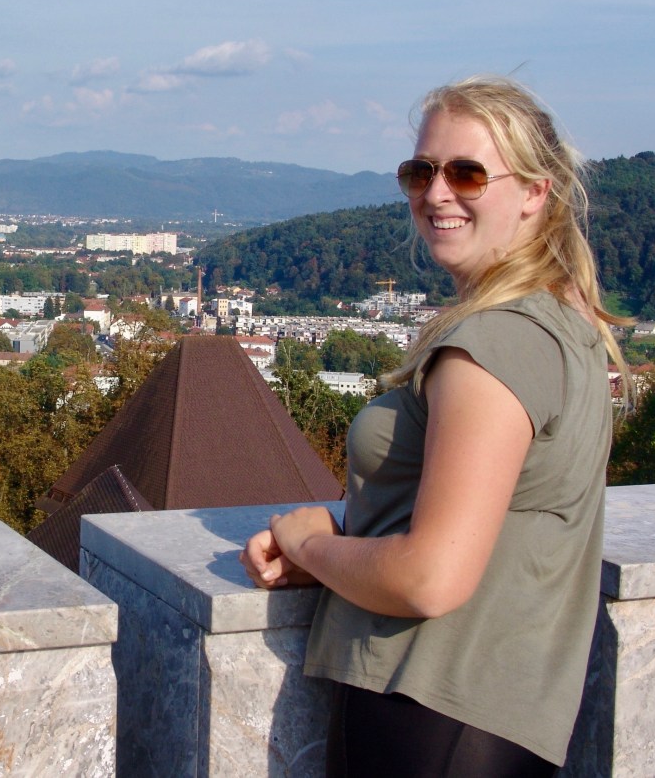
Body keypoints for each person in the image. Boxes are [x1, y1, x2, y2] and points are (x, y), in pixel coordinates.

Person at [241, 76, 629, 776]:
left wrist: (308, 545)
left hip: (427, 710)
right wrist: (351, 537)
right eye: (420, 171)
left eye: (467, 173)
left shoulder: (492, 346)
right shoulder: (563, 325)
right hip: (494, 715)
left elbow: (431, 577)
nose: (437, 192)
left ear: (535, 192)